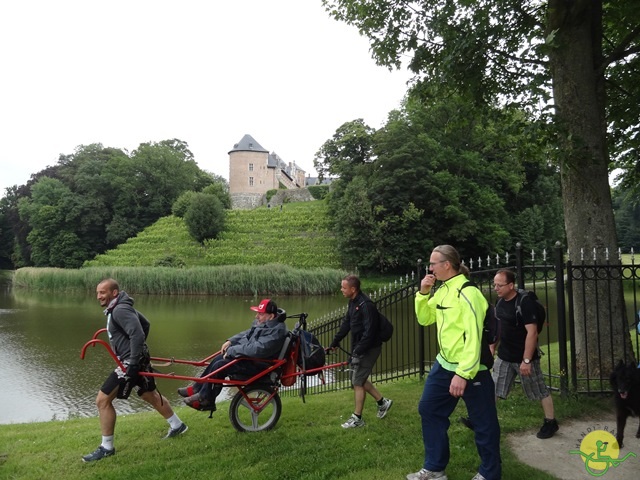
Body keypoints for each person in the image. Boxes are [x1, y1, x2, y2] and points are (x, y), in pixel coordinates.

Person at [409, 245, 501, 480]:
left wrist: (462, 374)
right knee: (429, 409)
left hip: (471, 369)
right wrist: (423, 293)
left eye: (433, 263)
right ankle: (435, 468)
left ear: (446, 265)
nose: (430, 268)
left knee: (483, 422)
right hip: (444, 364)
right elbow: (425, 318)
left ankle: (490, 474)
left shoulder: (468, 293)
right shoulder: (442, 290)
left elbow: (474, 337)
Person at [82, 278, 188, 463]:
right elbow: (145, 324)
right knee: (149, 394)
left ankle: (107, 447)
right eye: (97, 292)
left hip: (130, 362)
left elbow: (138, 333)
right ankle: (177, 425)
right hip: (136, 359)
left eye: (103, 292)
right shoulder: (120, 307)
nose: (99, 296)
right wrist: (135, 350)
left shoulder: (120, 309)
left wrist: (132, 359)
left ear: (114, 293)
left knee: (102, 400)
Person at [181, 298, 288, 410]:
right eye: (257, 313)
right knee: (218, 358)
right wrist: (231, 341)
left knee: (220, 365)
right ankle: (197, 388)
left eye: (260, 314)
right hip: (252, 360)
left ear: (271, 316)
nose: (257, 316)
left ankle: (205, 399)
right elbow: (247, 333)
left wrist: (233, 350)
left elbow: (257, 349)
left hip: (261, 366)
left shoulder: (277, 332)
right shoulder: (265, 323)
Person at [491, 269, 559, 439]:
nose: (496, 288)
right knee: (493, 388)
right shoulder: (500, 302)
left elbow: (532, 333)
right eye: (494, 285)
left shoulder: (524, 303)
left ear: (511, 285)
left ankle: (551, 422)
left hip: (524, 357)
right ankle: (484, 421)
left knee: (539, 390)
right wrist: (492, 346)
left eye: (500, 285)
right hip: (504, 356)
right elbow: (499, 328)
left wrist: (527, 360)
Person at [327, 274, 393, 428]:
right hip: (360, 347)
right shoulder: (353, 302)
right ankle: (383, 402)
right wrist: (334, 342)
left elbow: (370, 332)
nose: (341, 290)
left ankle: (357, 419)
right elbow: (346, 324)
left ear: (353, 289)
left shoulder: (366, 305)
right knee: (359, 379)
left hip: (370, 348)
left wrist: (358, 351)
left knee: (357, 381)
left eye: (344, 287)